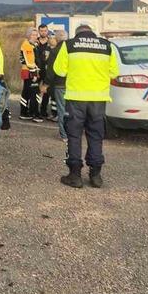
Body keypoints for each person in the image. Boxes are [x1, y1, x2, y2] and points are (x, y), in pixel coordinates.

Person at [53, 23, 119, 189]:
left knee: (74, 136)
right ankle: (96, 175)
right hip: (98, 99)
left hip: (76, 98)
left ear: (77, 34)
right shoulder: (108, 46)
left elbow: (59, 71)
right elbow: (114, 73)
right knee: (96, 135)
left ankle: (75, 175)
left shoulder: (69, 45)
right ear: (92, 33)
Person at [42, 29, 67, 141]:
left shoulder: (55, 51)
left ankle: (64, 135)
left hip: (60, 84)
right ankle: (75, 132)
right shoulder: (71, 49)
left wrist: (45, 84)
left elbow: (51, 70)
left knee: (62, 110)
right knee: (73, 109)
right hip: (73, 84)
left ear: (56, 39)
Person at [19, 28, 42, 122]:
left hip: (28, 72)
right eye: (33, 35)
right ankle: (35, 114)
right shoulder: (27, 45)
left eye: (36, 35)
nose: (35, 36)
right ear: (28, 35)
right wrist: (35, 74)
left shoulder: (33, 45)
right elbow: (29, 62)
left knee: (26, 92)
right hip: (30, 72)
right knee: (34, 93)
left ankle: (24, 112)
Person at [35, 24, 52, 118]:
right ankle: (34, 109)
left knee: (46, 91)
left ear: (47, 31)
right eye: (41, 31)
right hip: (37, 69)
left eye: (45, 31)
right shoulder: (35, 41)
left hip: (47, 69)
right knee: (35, 90)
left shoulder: (51, 42)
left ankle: (43, 110)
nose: (43, 32)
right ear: (39, 31)